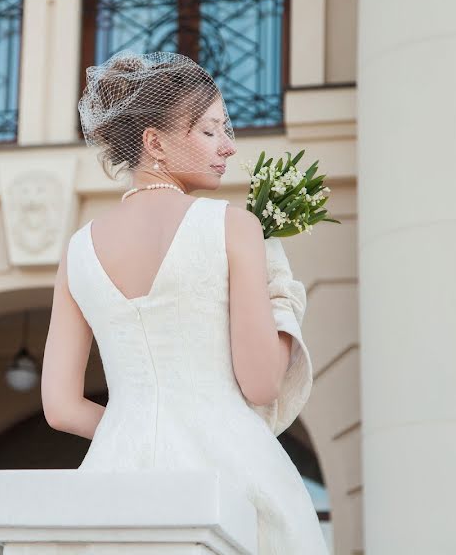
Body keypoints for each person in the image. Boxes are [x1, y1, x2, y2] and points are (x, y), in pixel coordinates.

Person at [41, 51, 327, 554]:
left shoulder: (78, 249)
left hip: (115, 478)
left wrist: (138, 428)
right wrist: (282, 298)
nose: (229, 147)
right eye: (211, 130)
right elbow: (261, 384)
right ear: (155, 142)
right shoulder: (234, 226)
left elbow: (61, 408)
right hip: (228, 470)